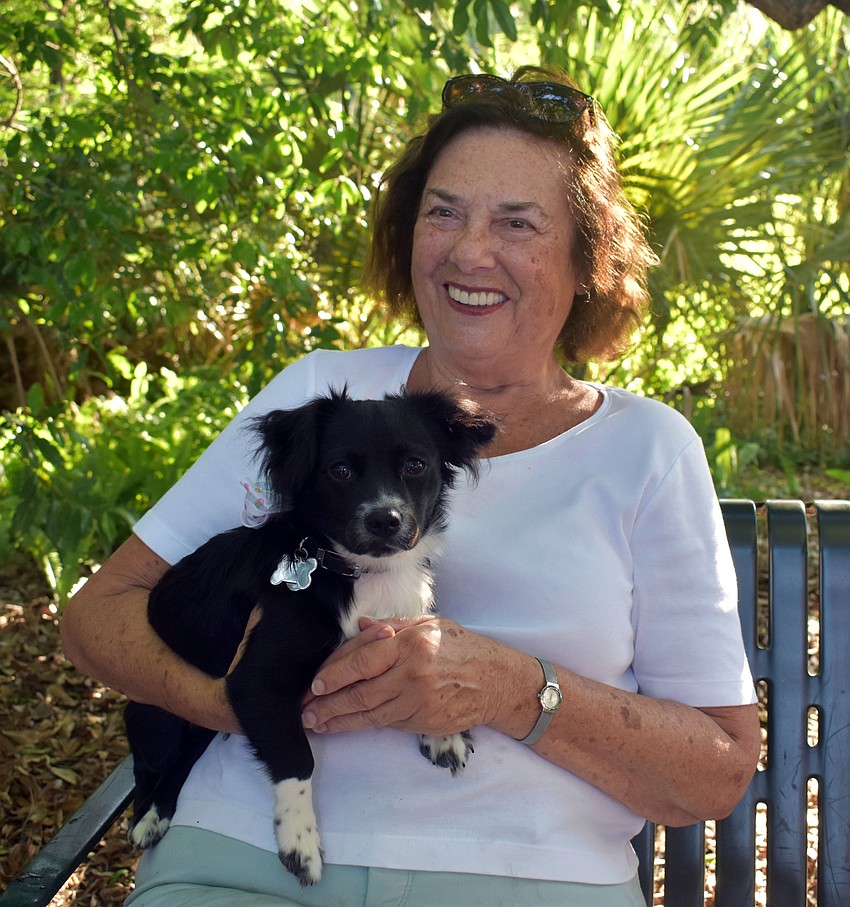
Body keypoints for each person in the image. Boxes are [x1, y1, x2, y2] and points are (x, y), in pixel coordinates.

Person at [61, 66, 760, 907]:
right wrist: (237, 703)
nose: (470, 251)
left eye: (516, 222)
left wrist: (513, 689)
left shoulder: (647, 448)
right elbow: (96, 618)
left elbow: (717, 769)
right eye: (444, 212)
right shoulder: (317, 398)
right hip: (242, 859)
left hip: (524, 879)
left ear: (587, 262)